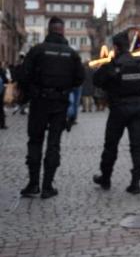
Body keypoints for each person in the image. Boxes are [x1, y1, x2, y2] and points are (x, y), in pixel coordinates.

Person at [17, 17, 85, 198]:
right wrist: (65, 88)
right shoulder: (72, 54)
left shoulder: (37, 51)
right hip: (60, 103)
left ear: (49, 30)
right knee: (54, 144)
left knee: (35, 141)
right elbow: (80, 78)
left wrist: (31, 91)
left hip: (39, 101)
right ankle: (47, 186)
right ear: (62, 31)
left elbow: (23, 75)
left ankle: (33, 184)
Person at [92, 32, 140, 195]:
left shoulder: (113, 65)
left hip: (118, 109)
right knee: (138, 146)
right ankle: (136, 182)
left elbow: (96, 80)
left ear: (116, 48)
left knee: (111, 145)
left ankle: (106, 178)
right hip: (138, 108)